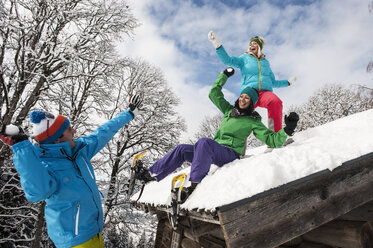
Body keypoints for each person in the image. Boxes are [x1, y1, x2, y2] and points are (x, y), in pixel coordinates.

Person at [135, 68, 299, 203]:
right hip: (214, 150)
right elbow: (214, 94)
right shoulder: (229, 111)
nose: (243, 99)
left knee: (204, 142)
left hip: (230, 154)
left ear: (252, 102)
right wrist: (224, 76)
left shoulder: (253, 121)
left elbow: (270, 139)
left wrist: (287, 130)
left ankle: (194, 183)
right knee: (182, 149)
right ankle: (151, 174)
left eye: (247, 98)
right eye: (242, 96)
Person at [0, 95, 142, 248]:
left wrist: (129, 113)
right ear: (57, 139)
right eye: (68, 129)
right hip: (74, 240)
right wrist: (22, 149)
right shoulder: (47, 164)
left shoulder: (79, 150)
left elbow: (103, 132)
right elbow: (36, 193)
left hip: (94, 232)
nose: (74, 131)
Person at [208, 31, 297, 133]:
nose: (251, 46)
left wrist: (288, 83)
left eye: (254, 44)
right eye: (250, 44)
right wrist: (217, 45)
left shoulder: (266, 63)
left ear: (259, 46)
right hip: (249, 93)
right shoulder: (244, 58)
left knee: (275, 102)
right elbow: (228, 60)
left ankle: (275, 138)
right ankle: (236, 147)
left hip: (265, 94)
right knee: (240, 115)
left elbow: (273, 82)